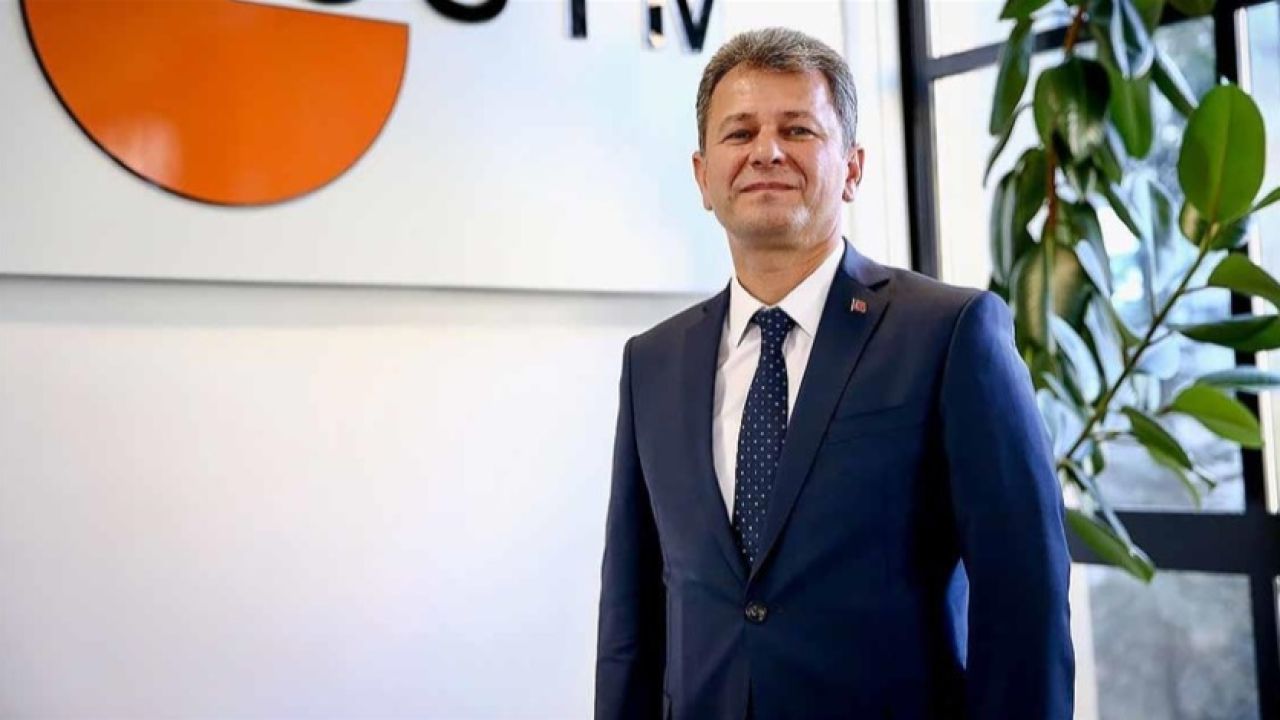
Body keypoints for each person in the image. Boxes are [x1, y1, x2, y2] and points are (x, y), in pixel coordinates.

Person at [594, 27, 1074, 720]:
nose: (766, 151)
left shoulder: (949, 334)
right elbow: (630, 615)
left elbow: (1024, 599)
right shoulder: (652, 363)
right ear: (702, 176)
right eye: (740, 133)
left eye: (798, 129)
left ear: (852, 168)